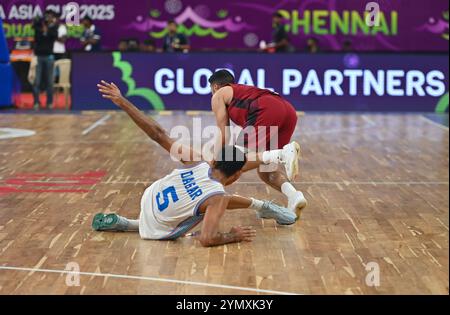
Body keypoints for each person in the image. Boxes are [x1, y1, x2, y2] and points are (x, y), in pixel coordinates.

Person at [93, 80, 302, 246]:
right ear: (237, 175)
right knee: (205, 207)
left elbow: (157, 134)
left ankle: (129, 223)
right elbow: (206, 239)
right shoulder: (218, 198)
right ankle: (275, 162)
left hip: (150, 197)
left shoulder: (202, 160)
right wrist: (233, 236)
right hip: (158, 231)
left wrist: (122, 101)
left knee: (196, 202)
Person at [208, 70, 307, 218]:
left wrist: (216, 163)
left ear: (215, 86)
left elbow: (223, 133)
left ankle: (282, 154)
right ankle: (294, 196)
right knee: (266, 170)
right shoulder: (240, 91)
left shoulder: (219, 94)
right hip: (288, 111)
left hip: (267, 108)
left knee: (234, 162)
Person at [32, 9, 58, 110]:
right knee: (36, 81)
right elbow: (37, 38)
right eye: (47, 16)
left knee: (49, 81)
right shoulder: (38, 27)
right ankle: (36, 102)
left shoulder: (54, 28)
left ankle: (50, 102)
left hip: (49, 57)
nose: (48, 18)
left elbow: (54, 36)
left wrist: (47, 30)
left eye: (50, 17)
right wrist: (40, 28)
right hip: (38, 56)